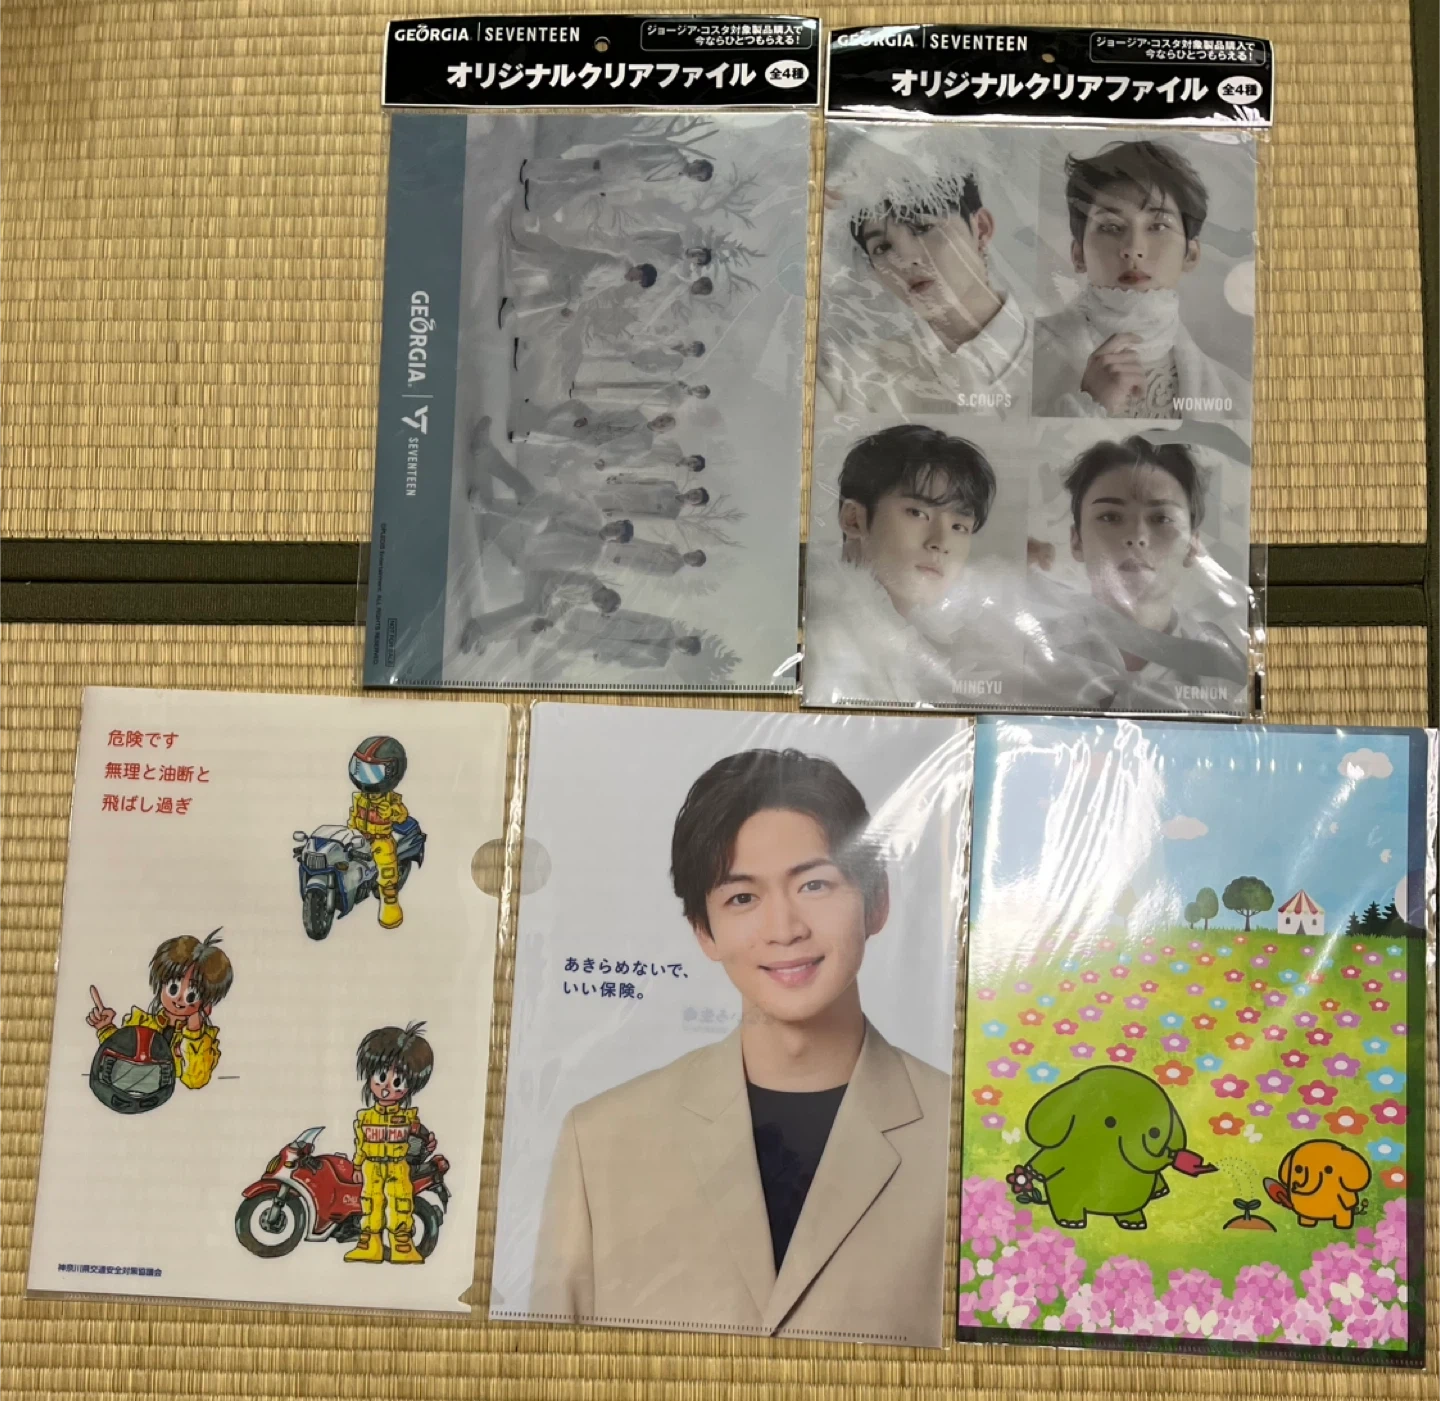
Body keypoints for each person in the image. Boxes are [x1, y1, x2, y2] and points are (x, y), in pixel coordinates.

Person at [532, 749, 949, 1343]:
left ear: (877, 900)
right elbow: (546, 1367)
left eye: (815, 884)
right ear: (704, 931)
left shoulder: (964, 1140)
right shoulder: (599, 1140)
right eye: (742, 899)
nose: (785, 929)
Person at [1025, 434, 1248, 711]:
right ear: (1076, 541)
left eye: (1161, 518)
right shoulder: (1030, 653)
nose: (1137, 536)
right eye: (1110, 517)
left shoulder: (1229, 674)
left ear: (1192, 545)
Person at [1032, 139, 1251, 420]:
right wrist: (1090, 403)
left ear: (1191, 254)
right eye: (1111, 227)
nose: (1133, 248)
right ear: (1078, 254)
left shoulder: (1238, 398)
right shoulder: (1025, 354)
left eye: (1158, 226)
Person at [819, 134, 1031, 416]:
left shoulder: (1067, 353)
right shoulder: (848, 377)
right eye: (882, 247)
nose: (905, 259)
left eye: (922, 228)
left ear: (980, 228)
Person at [804, 424, 999, 705]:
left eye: (959, 526)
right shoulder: (823, 646)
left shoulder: (913, 649)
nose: (940, 542)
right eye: (917, 513)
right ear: (853, 519)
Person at [86, 929, 234, 1090]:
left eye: (192, 995)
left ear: (205, 1003)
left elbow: (195, 1080)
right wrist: (105, 1028)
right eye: (173, 988)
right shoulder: (142, 1023)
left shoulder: (203, 1041)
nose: (179, 999)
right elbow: (121, 1054)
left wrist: (194, 1032)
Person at [345, 1022, 438, 1265]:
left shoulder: (409, 1118)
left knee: (401, 1203)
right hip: (372, 1167)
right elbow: (361, 1143)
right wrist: (357, 1166)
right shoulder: (366, 1118)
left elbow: (421, 1138)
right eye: (381, 1077)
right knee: (370, 1203)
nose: (387, 1087)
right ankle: (369, 1244)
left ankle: (402, 1245)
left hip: (398, 1166)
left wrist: (427, 1144)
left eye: (398, 1082)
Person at [346, 736, 413, 930]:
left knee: (386, 870)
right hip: (358, 836)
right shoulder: (360, 798)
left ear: (392, 772)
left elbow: (402, 815)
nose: (363, 778)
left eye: (372, 772)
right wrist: (349, 831)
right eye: (359, 768)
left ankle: (389, 903)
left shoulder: (391, 800)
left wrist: (390, 811)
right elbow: (353, 816)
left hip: (380, 840)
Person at [591, 482, 708, 520]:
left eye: (696, 499)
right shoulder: (671, 485)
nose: (693, 496)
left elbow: (646, 517)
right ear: (692, 489)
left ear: (694, 505)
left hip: (627, 506)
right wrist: (622, 481)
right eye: (695, 492)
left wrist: (617, 514)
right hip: (626, 489)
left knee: (594, 504)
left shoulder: (673, 513)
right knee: (594, 492)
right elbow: (647, 481)